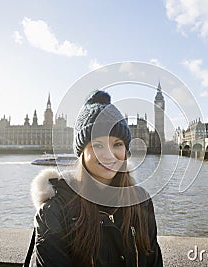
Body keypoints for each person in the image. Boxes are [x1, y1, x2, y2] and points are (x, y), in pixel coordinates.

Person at [25, 90, 163, 267]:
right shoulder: (54, 212)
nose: (108, 155)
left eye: (117, 144)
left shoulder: (141, 203)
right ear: (81, 152)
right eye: (97, 145)